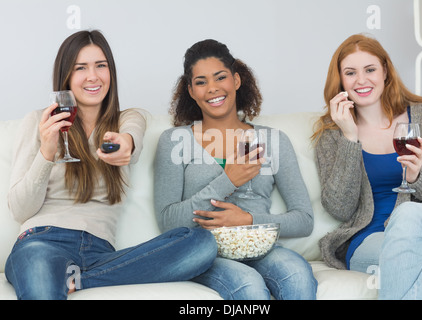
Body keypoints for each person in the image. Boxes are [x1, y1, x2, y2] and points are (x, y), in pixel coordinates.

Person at [5, 30, 217, 300]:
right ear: (66, 75)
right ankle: (70, 276)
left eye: (100, 66)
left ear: (111, 72)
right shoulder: (38, 122)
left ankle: (80, 279)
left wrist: (123, 145)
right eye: (81, 68)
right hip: (41, 243)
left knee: (200, 242)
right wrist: (46, 153)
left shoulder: (129, 118)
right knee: (39, 278)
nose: (93, 76)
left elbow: (130, 139)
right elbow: (21, 209)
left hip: (101, 254)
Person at [154, 39, 317, 300]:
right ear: (191, 91)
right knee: (248, 285)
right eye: (201, 82)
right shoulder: (174, 141)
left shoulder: (274, 141)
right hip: (203, 251)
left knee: (296, 274)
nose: (213, 89)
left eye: (220, 77)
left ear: (236, 80)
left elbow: (304, 221)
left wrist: (249, 221)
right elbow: (168, 221)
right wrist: (228, 179)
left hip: (260, 247)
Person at [311, 33, 422, 299]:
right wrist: (350, 138)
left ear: (385, 71)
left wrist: (417, 178)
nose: (361, 80)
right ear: (340, 80)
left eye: (370, 69)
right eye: (350, 73)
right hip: (370, 240)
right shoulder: (332, 134)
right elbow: (340, 208)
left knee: (409, 213)